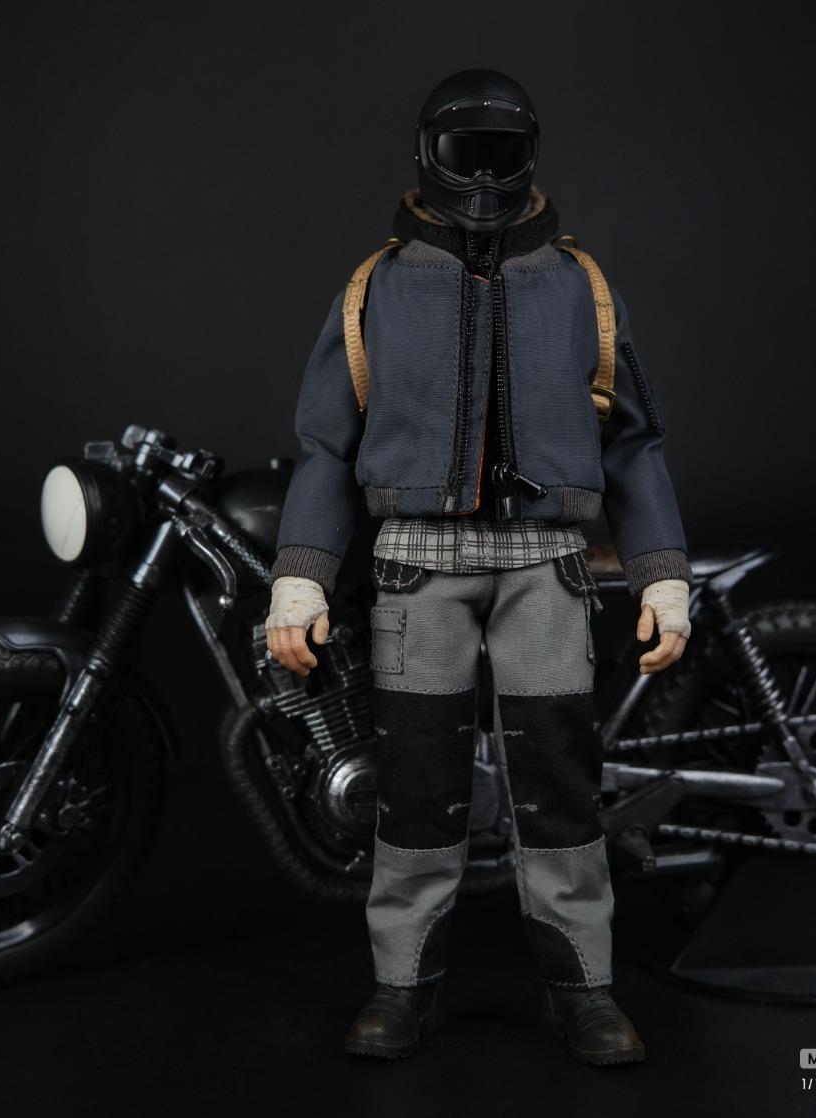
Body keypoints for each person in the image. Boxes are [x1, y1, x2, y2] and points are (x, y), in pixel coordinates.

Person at [264, 68, 692, 1065]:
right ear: (430, 155)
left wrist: (661, 570)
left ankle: (580, 988)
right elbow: (326, 443)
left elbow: (634, 440)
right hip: (416, 564)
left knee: (559, 783)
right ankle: (404, 986)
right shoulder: (376, 285)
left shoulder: (579, 285)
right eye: (470, 152)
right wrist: (302, 572)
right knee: (415, 786)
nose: (488, 175)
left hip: (547, 563)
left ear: (531, 154)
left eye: (505, 153)